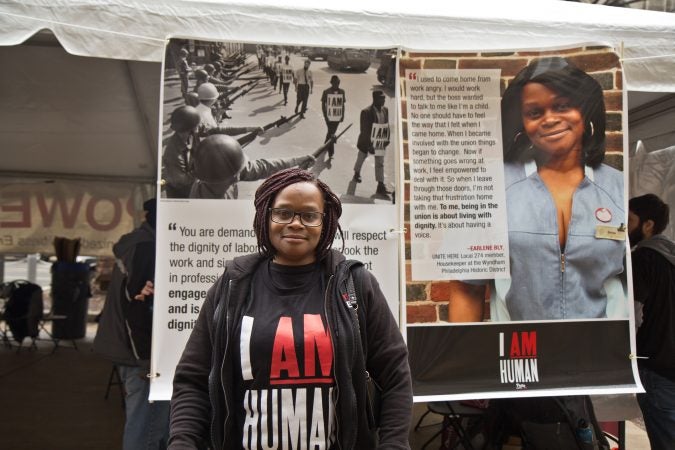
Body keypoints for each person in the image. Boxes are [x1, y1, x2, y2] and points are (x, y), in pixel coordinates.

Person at [169, 168, 413, 449]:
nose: (295, 223)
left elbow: (395, 375)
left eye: (309, 215)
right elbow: (193, 380)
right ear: (265, 216)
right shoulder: (233, 285)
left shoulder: (355, 284)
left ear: (325, 222)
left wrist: (394, 445)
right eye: (283, 213)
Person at [452, 57, 625, 322]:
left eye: (562, 106)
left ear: (585, 110)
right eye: (535, 112)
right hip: (519, 353)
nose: (550, 119)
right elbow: (467, 290)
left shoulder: (618, 187)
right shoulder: (490, 186)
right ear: (522, 123)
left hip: (602, 354)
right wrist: (464, 361)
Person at [94, 199, 170, 450]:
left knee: (147, 424)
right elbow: (137, 309)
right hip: (140, 355)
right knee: (148, 429)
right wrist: (148, 360)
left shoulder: (137, 244)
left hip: (132, 352)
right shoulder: (147, 248)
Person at [628, 193, 675, 450]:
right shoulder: (671, 257)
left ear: (648, 225)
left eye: (630, 220)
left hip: (657, 368)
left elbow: (633, 316)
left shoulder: (643, 258)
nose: (625, 227)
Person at [188, 134, 315, 199]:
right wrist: (294, 176)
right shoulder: (208, 208)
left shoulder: (215, 174)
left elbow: (262, 167)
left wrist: (296, 161)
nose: (244, 169)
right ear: (234, 178)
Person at [353, 90, 391, 198]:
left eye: (384, 98)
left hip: (380, 141)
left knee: (380, 162)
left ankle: (380, 185)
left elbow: (386, 125)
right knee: (361, 158)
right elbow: (364, 130)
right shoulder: (366, 112)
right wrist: (370, 145)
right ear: (374, 99)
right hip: (367, 142)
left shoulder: (385, 110)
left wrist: (387, 138)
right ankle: (356, 173)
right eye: (381, 98)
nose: (383, 100)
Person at [162, 106, 200, 198]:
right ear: (191, 128)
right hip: (180, 192)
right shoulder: (173, 153)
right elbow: (182, 180)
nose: (198, 128)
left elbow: (213, 130)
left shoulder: (189, 133)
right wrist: (202, 170)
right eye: (197, 126)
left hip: (190, 183)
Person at [321, 75, 346, 160]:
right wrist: (325, 115)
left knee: (330, 132)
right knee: (332, 133)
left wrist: (342, 115)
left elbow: (342, 104)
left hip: (337, 117)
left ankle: (325, 145)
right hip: (328, 117)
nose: (337, 84)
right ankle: (331, 153)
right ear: (331, 83)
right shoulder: (326, 91)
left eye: (338, 83)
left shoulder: (342, 92)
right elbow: (323, 104)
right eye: (335, 83)